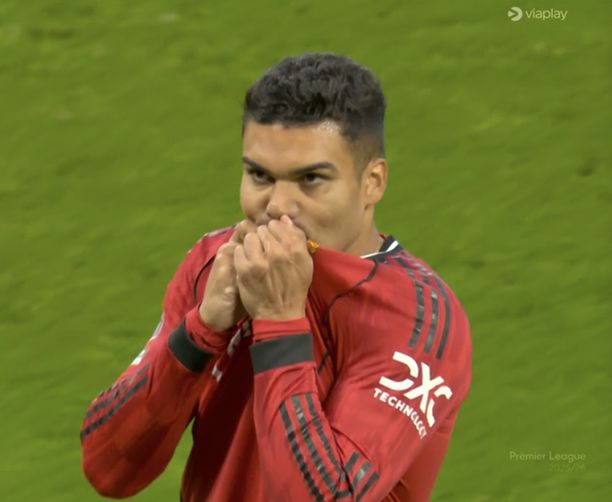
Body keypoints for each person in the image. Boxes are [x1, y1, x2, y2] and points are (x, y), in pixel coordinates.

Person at [80, 52, 472, 502]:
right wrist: (200, 331)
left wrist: (280, 321)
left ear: (372, 182)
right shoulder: (217, 262)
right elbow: (108, 468)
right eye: (260, 176)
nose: (278, 206)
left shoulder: (418, 319)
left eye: (311, 179)